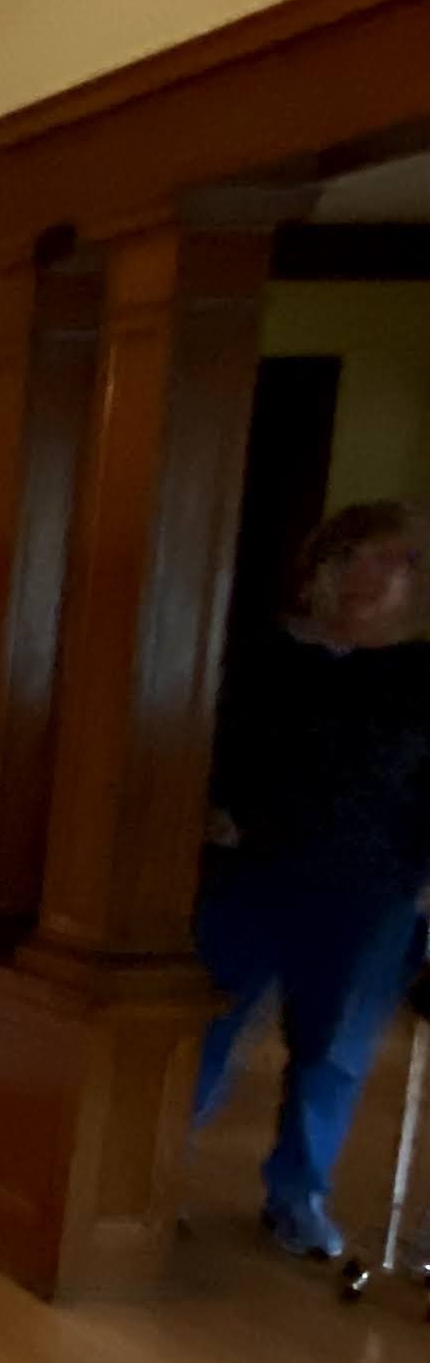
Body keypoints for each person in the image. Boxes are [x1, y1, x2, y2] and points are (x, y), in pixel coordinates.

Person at [193, 499, 430, 1259]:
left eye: (390, 562)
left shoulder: (421, 674)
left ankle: (297, 1194)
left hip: (371, 889)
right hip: (254, 876)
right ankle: (134, 1179)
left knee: (334, 1051)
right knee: (203, 1029)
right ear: (322, 567)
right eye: (352, 557)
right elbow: (210, 741)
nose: (367, 577)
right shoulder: (266, 657)